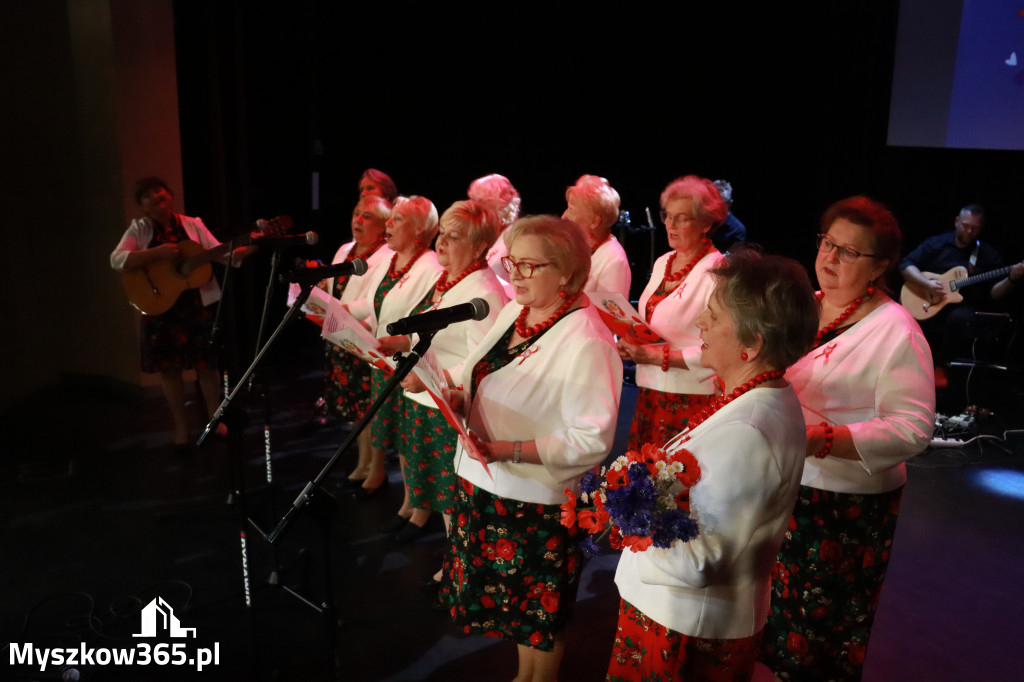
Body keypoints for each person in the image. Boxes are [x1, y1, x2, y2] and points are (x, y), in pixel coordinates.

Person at [609, 247, 819, 681]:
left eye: (714, 316)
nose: (700, 324)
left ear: (752, 344)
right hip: (685, 615)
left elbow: (699, 561)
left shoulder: (750, 430)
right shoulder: (757, 398)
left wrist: (623, 519)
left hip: (686, 625)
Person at [759, 196, 936, 682]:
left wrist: (826, 438)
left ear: (881, 266)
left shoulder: (895, 330)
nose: (829, 259)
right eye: (827, 243)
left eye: (848, 253)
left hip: (843, 507)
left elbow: (913, 428)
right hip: (787, 487)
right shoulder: (804, 308)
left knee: (818, 641)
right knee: (775, 625)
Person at [441, 216, 622, 682]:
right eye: (511, 263)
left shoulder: (588, 339)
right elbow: (480, 370)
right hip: (487, 481)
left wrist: (510, 449)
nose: (513, 275)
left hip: (533, 500)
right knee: (516, 612)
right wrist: (462, 396)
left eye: (527, 266)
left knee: (539, 614)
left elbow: (592, 438)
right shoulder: (514, 312)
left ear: (565, 272)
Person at [376, 200, 508, 545]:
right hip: (424, 396)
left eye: (454, 237)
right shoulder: (447, 277)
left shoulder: (485, 292)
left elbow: (483, 359)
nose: (441, 243)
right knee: (426, 476)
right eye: (443, 235)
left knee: (451, 494)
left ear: (479, 246)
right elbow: (430, 329)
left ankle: (451, 567)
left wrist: (437, 379)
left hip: (447, 404)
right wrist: (401, 342)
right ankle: (430, 534)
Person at [110, 176, 256, 452]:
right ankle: (180, 426)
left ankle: (215, 421)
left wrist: (250, 246)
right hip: (161, 308)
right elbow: (116, 259)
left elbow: (222, 254)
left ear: (169, 194)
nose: (156, 195)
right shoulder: (140, 229)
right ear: (142, 205)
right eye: (147, 194)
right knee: (171, 371)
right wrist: (156, 253)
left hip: (194, 306)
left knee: (207, 367)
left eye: (159, 190)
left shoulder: (193, 224)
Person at [617, 175, 728, 449]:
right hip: (648, 391)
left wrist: (655, 357)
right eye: (667, 215)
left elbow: (722, 349)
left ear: (707, 223)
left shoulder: (719, 270)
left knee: (674, 485)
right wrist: (631, 341)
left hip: (688, 398)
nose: (670, 224)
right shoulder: (664, 261)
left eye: (682, 218)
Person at [345, 196, 442, 497]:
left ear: (418, 229)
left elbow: (425, 316)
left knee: (407, 435)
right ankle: (397, 491)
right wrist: (344, 312)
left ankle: (414, 502)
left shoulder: (430, 266)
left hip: (405, 362)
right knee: (386, 427)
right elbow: (376, 301)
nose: (388, 223)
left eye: (397, 219)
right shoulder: (390, 258)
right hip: (382, 357)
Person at [898, 204, 1024, 383]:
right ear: (957, 222)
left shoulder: (988, 254)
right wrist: (927, 284)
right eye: (965, 225)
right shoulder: (937, 243)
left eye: (975, 228)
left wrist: (1012, 278)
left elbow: (995, 294)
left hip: (962, 307)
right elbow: (905, 265)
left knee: (959, 319)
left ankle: (943, 367)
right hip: (927, 298)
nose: (969, 231)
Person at [321, 195, 393, 486]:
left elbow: (375, 300)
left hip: (364, 339)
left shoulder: (386, 255)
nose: (357, 220)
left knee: (369, 409)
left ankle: (375, 466)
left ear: (384, 226)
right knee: (355, 410)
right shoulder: (345, 249)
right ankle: (362, 462)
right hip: (340, 338)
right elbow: (331, 286)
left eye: (367, 217)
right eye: (356, 213)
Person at [562, 174, 631, 298]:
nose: (564, 216)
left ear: (594, 222)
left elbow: (610, 315)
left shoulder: (614, 262)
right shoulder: (576, 247)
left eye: (571, 209)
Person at [467, 173, 521, 288]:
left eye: (481, 202)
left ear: (502, 204)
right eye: (473, 201)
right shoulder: (483, 238)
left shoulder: (517, 237)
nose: (473, 208)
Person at [712, 178, 749, 253]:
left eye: (721, 206)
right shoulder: (701, 219)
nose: (715, 209)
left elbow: (736, 259)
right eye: (712, 204)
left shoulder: (738, 230)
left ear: (730, 204)